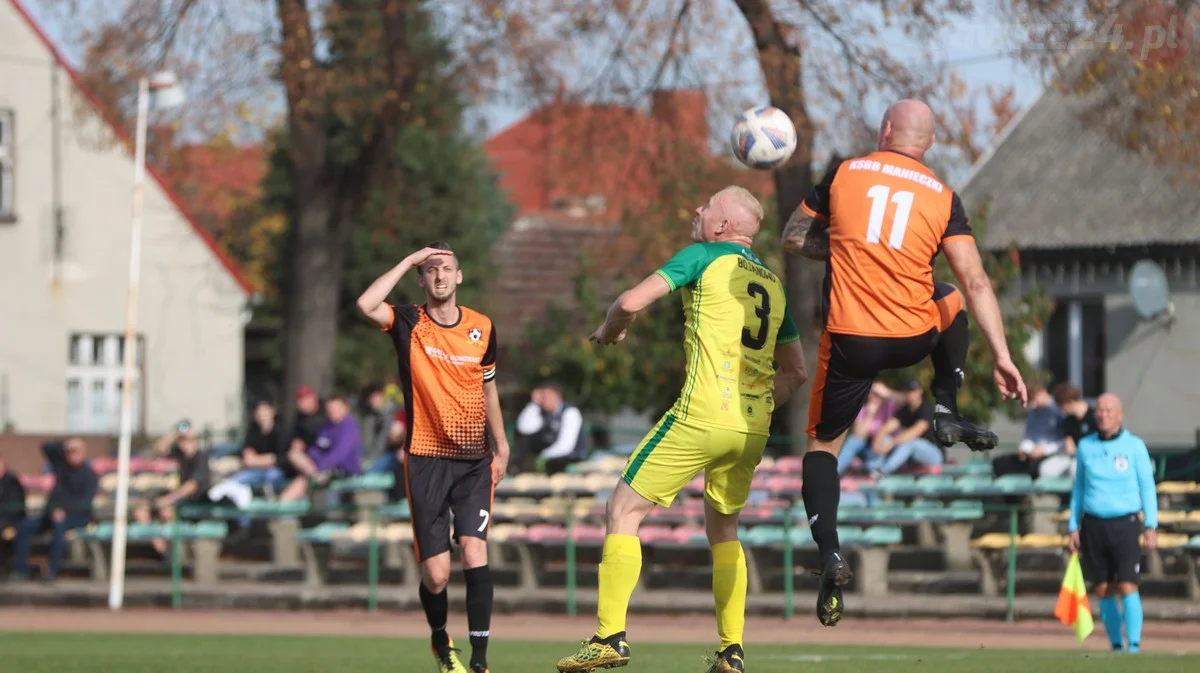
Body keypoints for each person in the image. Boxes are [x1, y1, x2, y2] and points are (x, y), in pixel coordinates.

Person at [780, 99, 1028, 627]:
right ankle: (946, 404)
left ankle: (829, 553)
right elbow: (977, 280)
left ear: (885, 130)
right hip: (913, 336)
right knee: (953, 298)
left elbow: (794, 237)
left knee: (822, 447)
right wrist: (1003, 356)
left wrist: (846, 248)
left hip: (851, 338)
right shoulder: (943, 196)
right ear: (929, 143)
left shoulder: (845, 173)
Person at [554, 186, 809, 673]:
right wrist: (755, 407)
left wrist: (611, 330)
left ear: (720, 227)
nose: (695, 210)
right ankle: (731, 649)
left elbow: (630, 300)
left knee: (622, 509)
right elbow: (795, 372)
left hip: (701, 414)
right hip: (751, 429)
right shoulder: (774, 286)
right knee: (724, 529)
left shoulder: (703, 255)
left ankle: (608, 636)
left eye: (705, 207)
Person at [357, 241, 510, 673]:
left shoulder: (482, 326)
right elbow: (366, 304)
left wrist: (503, 442)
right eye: (430, 270)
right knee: (437, 576)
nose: (439, 275)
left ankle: (479, 661)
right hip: (425, 457)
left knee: (474, 550)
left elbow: (489, 386)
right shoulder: (409, 321)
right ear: (422, 279)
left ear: (459, 276)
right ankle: (441, 640)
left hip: (474, 460)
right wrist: (407, 259)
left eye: (446, 268)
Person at [1067, 393, 1156, 653]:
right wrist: (1073, 525)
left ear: (1119, 414)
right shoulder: (1086, 446)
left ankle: (1135, 645)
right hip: (1093, 524)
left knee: (1127, 583)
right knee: (1102, 588)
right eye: (1100, 411)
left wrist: (1151, 525)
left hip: (1125, 523)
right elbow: (1079, 489)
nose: (1103, 415)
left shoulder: (1134, 446)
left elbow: (1147, 487)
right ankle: (1116, 645)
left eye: (1109, 410)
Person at [9, 438, 97, 581]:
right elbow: (46, 447)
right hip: (52, 514)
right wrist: (65, 443)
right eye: (69, 451)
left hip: (76, 516)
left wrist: (63, 511)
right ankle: (20, 571)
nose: (71, 455)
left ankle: (51, 570)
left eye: (75, 451)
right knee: (24, 525)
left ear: (83, 453)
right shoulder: (61, 467)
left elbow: (85, 502)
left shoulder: (90, 475)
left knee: (59, 526)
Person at [862, 379, 944, 477]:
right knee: (886, 439)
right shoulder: (905, 409)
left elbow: (915, 431)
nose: (910, 394)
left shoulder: (926, 407)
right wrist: (878, 439)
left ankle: (883, 471)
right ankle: (871, 468)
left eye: (913, 391)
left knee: (910, 442)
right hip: (914, 456)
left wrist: (891, 443)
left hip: (934, 454)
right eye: (908, 391)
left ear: (920, 391)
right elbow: (888, 426)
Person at [992, 382, 1064, 478]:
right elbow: (1029, 436)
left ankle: (1035, 492)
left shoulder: (1059, 409)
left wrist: (1044, 450)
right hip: (1032, 453)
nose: (1033, 405)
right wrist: (1024, 449)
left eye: (1034, 400)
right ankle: (1011, 492)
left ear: (1043, 392)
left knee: (1034, 467)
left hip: (1052, 453)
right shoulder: (1033, 412)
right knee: (999, 463)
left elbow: (1064, 440)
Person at [514, 381, 588, 475]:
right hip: (551, 462)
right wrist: (534, 404)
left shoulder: (570, 412)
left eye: (546, 396)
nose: (543, 400)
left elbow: (565, 446)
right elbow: (523, 427)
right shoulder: (543, 413)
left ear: (557, 396)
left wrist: (544, 456)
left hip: (571, 462)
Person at [835, 382, 898, 475]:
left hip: (885, 449)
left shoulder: (889, 407)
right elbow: (858, 435)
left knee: (885, 439)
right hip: (867, 449)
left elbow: (905, 398)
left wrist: (887, 392)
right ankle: (835, 471)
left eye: (878, 395)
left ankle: (873, 471)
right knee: (853, 440)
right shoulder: (863, 410)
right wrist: (870, 415)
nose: (875, 397)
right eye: (872, 393)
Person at [1042, 381, 1096, 479]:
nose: (1061, 410)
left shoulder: (1094, 417)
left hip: (1092, 458)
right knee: (1046, 469)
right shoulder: (1068, 421)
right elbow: (1069, 445)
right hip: (1072, 457)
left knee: (1075, 469)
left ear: (1070, 402)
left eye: (1062, 406)